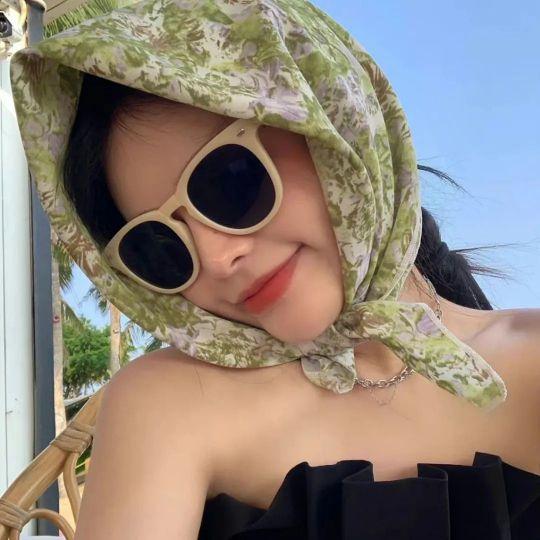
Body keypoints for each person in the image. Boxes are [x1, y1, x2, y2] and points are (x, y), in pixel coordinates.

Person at [9, 0, 539, 538]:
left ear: (338, 123)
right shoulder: (168, 403)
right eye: (158, 246)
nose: (217, 259)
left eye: (228, 181)